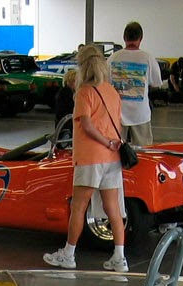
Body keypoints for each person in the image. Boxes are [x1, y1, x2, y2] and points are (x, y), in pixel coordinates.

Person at [43, 45, 127, 273]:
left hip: (90, 157)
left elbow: (87, 125)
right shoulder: (112, 91)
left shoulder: (84, 92)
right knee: (113, 207)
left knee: (78, 206)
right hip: (112, 158)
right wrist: (111, 143)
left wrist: (104, 141)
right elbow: (118, 123)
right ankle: (119, 257)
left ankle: (68, 254)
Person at [107, 21, 162, 146]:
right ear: (141, 38)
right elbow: (156, 83)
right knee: (144, 150)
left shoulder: (113, 58)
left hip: (117, 114)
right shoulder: (148, 58)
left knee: (115, 151)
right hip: (140, 114)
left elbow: (105, 83)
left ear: (124, 37)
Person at [54, 67, 77, 139]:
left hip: (65, 123)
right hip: (66, 124)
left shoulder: (71, 92)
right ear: (68, 81)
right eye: (74, 81)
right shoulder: (65, 92)